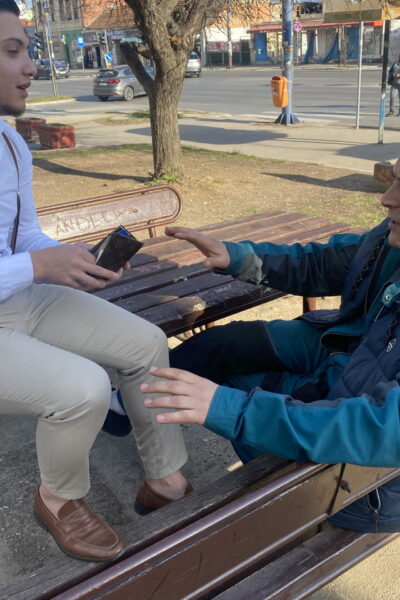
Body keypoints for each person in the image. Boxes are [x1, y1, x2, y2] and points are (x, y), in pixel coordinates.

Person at [0, 0, 190, 562]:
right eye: (12, 51)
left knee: (146, 343)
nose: (31, 65)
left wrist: (74, 259)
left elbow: (24, 235)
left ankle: (165, 477)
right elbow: (29, 261)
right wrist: (39, 268)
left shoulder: (10, 143)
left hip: (21, 297)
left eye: (27, 49)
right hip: (17, 297)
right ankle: (58, 498)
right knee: (82, 390)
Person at [140, 159, 400, 533]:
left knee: (230, 393)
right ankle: (122, 406)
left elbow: (379, 427)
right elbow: (327, 263)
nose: (386, 198)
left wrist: (233, 410)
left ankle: (277, 496)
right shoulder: (389, 237)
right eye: (394, 180)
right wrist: (238, 257)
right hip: (347, 350)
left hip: (362, 487)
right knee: (223, 345)